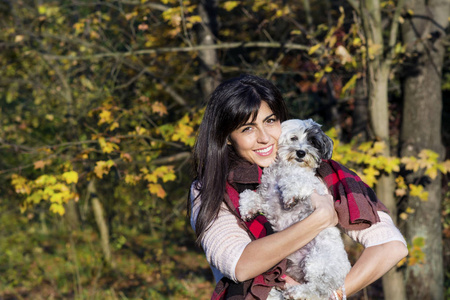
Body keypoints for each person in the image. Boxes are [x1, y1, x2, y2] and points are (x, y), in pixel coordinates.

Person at [188, 74, 408, 299]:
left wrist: (332, 295)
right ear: (227, 137)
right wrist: (320, 218)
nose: (264, 138)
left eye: (270, 121)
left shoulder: (323, 173)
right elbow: (240, 265)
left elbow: (391, 246)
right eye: (247, 129)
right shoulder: (210, 188)